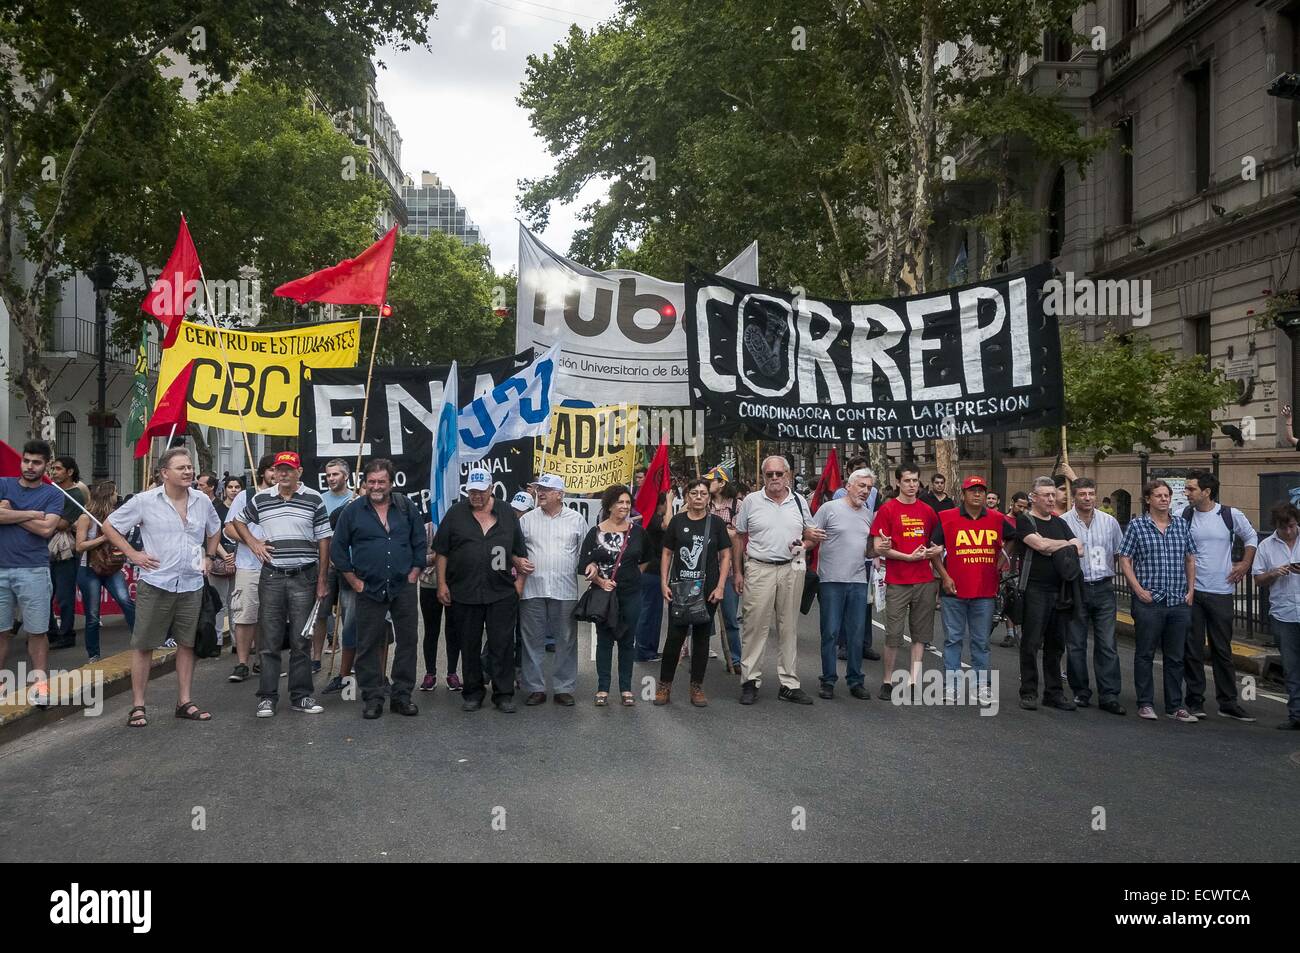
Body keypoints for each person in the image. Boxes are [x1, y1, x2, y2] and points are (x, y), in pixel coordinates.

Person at [100, 447, 222, 726]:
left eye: (190, 467)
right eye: (181, 468)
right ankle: (138, 706)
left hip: (191, 584)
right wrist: (133, 554)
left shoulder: (202, 500)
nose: (189, 472)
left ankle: (185, 701)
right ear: (165, 473)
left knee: (187, 644)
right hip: (156, 583)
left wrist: (210, 556)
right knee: (144, 645)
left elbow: (214, 529)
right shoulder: (144, 501)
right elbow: (110, 526)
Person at [231, 451, 331, 718]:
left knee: (301, 640)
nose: (283, 473)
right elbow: (237, 521)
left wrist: (322, 579)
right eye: (279, 469)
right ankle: (267, 697)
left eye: (288, 469)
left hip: (304, 575)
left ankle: (301, 696)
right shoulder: (262, 498)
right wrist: (253, 543)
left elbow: (324, 539)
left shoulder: (313, 498)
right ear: (273, 472)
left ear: (299, 472)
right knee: (270, 639)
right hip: (273, 575)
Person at [330, 459, 425, 719]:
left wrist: (414, 573)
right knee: (367, 643)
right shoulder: (352, 511)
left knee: (407, 642)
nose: (376, 486)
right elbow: (338, 550)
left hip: (402, 586)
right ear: (364, 483)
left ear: (391, 483)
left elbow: (420, 542)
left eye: (381, 481)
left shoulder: (406, 508)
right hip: (368, 587)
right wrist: (354, 581)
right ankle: (372, 697)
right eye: (371, 481)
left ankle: (402, 696)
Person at [433, 468, 531, 713]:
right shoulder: (456, 514)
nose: (476, 496)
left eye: (481, 491)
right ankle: (473, 692)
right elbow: (441, 551)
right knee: (469, 644)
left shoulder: (507, 513)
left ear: (491, 489)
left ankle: (503, 694)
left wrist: (518, 587)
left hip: (501, 592)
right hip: (464, 591)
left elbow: (519, 553)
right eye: (472, 492)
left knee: (503, 644)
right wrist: (442, 583)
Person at [734, 455, 822, 705]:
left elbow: (811, 536)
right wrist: (738, 572)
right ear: (763, 476)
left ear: (788, 475)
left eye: (779, 474)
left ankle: (789, 684)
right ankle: (750, 681)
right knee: (754, 626)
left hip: (792, 569)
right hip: (759, 568)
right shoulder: (751, 501)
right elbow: (739, 536)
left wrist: (804, 543)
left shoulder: (799, 502)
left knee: (789, 627)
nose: (774, 478)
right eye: (769, 474)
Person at [1118, 479, 1198, 723]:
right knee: (1145, 653)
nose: (1164, 499)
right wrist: (1138, 590)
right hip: (1149, 601)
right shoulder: (1137, 526)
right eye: (1159, 495)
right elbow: (1124, 558)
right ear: (1148, 499)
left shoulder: (1182, 525)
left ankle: (1175, 705)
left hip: (1178, 600)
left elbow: (1190, 558)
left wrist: (1191, 590)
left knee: (1175, 656)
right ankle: (1145, 703)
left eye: (1167, 495)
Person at [1182, 469, 1258, 722]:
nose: (1187, 493)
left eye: (1191, 489)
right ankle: (1195, 701)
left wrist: (1245, 563)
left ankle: (1228, 702)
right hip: (1193, 590)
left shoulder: (1229, 514)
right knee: (1192, 649)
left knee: (1222, 650)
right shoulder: (1186, 515)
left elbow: (1251, 537)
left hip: (1221, 590)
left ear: (1207, 491)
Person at [930, 476, 1006, 704]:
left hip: (984, 591)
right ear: (963, 494)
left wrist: (1002, 559)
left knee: (980, 642)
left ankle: (981, 686)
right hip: (953, 591)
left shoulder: (997, 519)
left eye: (981, 491)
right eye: (972, 491)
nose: (977, 495)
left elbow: (1014, 539)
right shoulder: (946, 518)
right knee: (953, 639)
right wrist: (944, 576)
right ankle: (951, 686)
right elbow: (934, 551)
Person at [654, 478, 730, 706]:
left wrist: (721, 586)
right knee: (674, 639)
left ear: (709, 498)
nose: (699, 497)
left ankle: (697, 686)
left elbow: (725, 555)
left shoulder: (715, 523)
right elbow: (667, 553)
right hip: (680, 588)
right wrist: (663, 582)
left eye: (703, 494)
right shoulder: (677, 522)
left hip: (707, 590)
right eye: (694, 493)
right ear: (686, 497)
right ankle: (664, 685)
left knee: (702, 640)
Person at [869, 464, 941, 700]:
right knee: (893, 634)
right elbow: (879, 547)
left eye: (916, 481)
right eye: (907, 481)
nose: (912, 485)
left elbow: (935, 544)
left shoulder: (928, 511)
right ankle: (888, 680)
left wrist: (934, 551)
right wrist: (907, 557)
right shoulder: (887, 510)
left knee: (920, 635)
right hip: (898, 581)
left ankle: (913, 680)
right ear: (898, 482)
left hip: (924, 580)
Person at [0, 440, 63, 703]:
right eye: (26, 460)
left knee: (37, 632)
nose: (29, 466)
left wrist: (12, 512)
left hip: (34, 570)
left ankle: (40, 686)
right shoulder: (3, 483)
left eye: (36, 462)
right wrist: (32, 514)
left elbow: (48, 530)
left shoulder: (53, 494)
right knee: (1, 631)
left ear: (46, 465)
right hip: (1, 569)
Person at [1012, 476, 1082, 711]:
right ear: (1034, 498)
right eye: (1046, 495)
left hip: (1060, 591)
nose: (1052, 499)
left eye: (1054, 495)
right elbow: (1039, 546)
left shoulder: (1059, 522)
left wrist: (1057, 544)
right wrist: (1065, 545)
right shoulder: (1025, 520)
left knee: (1056, 644)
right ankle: (1029, 691)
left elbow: (1079, 548)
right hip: (1034, 590)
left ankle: (1054, 693)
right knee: (1031, 643)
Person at [518, 473, 587, 706]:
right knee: (531, 641)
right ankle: (535, 687)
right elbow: (516, 551)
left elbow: (582, 553)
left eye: (546, 489)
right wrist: (518, 562)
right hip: (532, 588)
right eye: (539, 489)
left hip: (565, 589)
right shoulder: (526, 520)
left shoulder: (576, 519)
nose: (541, 493)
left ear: (560, 494)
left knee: (566, 640)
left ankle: (563, 687)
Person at [1062, 478, 1126, 714]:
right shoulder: (1063, 522)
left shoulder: (1109, 522)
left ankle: (1109, 694)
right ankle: (1080, 691)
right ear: (1074, 497)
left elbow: (1120, 553)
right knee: (1076, 643)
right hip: (1076, 588)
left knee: (1107, 644)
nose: (1087, 498)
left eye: (1091, 493)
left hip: (1103, 587)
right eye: (1082, 494)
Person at [581, 483, 649, 706]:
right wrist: (600, 580)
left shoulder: (638, 532)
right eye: (620, 502)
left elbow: (647, 558)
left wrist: (630, 577)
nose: (624, 506)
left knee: (627, 641)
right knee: (604, 641)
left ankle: (626, 688)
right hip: (604, 596)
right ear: (609, 504)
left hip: (630, 594)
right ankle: (603, 688)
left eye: (628, 502)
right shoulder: (595, 532)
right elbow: (584, 564)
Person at [810, 468, 875, 699]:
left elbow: (869, 548)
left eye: (869, 487)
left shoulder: (868, 513)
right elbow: (810, 537)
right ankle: (828, 680)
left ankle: (855, 680)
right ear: (848, 485)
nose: (865, 491)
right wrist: (801, 545)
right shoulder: (829, 509)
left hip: (858, 580)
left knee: (856, 635)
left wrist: (880, 549)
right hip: (831, 581)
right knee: (830, 632)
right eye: (861, 486)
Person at [1249, 502, 1300, 730]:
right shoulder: (1267, 546)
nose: (1288, 532)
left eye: (1291, 526)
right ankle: (1296, 715)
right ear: (1276, 526)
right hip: (1284, 613)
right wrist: (1274, 573)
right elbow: (1258, 579)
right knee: (1291, 667)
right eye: (1283, 528)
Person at [224, 455, 275, 683]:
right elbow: (229, 527)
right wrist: (252, 542)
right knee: (245, 615)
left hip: (276, 566)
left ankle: (262, 660)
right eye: (272, 469)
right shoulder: (246, 496)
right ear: (263, 472)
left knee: (270, 617)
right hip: (248, 565)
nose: (276, 474)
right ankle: (242, 662)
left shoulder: (286, 496)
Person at [74, 482, 137, 663]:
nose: (117, 496)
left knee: (127, 603)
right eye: (115, 492)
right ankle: (94, 654)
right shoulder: (86, 517)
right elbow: (79, 546)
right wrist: (104, 537)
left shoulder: (116, 516)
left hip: (112, 567)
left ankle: (141, 642)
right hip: (89, 569)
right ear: (107, 495)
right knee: (93, 615)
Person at [314, 458, 356, 672]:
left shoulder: (356, 500)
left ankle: (350, 663)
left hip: (350, 566)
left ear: (346, 476)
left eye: (335, 474)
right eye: (328, 475)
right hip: (326, 565)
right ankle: (315, 658)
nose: (331, 478)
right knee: (321, 612)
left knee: (349, 614)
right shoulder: (320, 500)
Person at [705, 467, 743, 670]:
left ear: (722, 483)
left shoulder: (737, 505)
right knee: (701, 617)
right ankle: (699, 657)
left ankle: (736, 659)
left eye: (712, 480)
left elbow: (737, 536)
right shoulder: (703, 503)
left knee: (730, 618)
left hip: (728, 572)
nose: (708, 483)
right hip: (704, 570)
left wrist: (738, 572)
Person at [47, 456, 85, 651]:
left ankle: (66, 634)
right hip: (47, 550)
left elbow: (62, 523)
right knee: (46, 593)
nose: (54, 472)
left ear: (70, 472)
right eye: (53, 468)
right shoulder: (51, 490)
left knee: (64, 594)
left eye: (58, 468)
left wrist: (45, 521)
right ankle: (50, 632)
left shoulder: (75, 495)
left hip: (65, 553)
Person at [999, 491, 1031, 647]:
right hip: (1007, 565)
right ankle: (1010, 633)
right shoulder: (1003, 520)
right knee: (1009, 599)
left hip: (1024, 565)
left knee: (1023, 601)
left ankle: (1023, 633)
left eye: (1025, 507)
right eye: (1019, 506)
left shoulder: (1028, 521)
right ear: (1012, 503)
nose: (1022, 510)